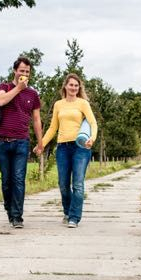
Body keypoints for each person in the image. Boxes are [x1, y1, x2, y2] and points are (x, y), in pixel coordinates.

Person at [39, 73, 98, 228]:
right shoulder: (59, 104)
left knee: (77, 184)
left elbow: (93, 123)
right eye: (71, 85)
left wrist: (92, 138)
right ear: (65, 86)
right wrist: (42, 144)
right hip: (63, 148)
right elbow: (53, 128)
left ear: (79, 88)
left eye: (76, 86)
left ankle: (74, 217)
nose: (73, 88)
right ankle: (67, 211)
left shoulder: (83, 103)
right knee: (63, 184)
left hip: (81, 147)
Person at [0, 56, 44, 229]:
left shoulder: (33, 94)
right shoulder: (4, 87)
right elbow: (0, 101)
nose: (24, 73)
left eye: (27, 72)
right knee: (6, 180)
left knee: (18, 179)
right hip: (3, 143)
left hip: (22, 142)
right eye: (21, 70)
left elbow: (36, 119)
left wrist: (40, 142)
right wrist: (18, 88)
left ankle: (17, 216)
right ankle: (9, 207)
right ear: (15, 71)